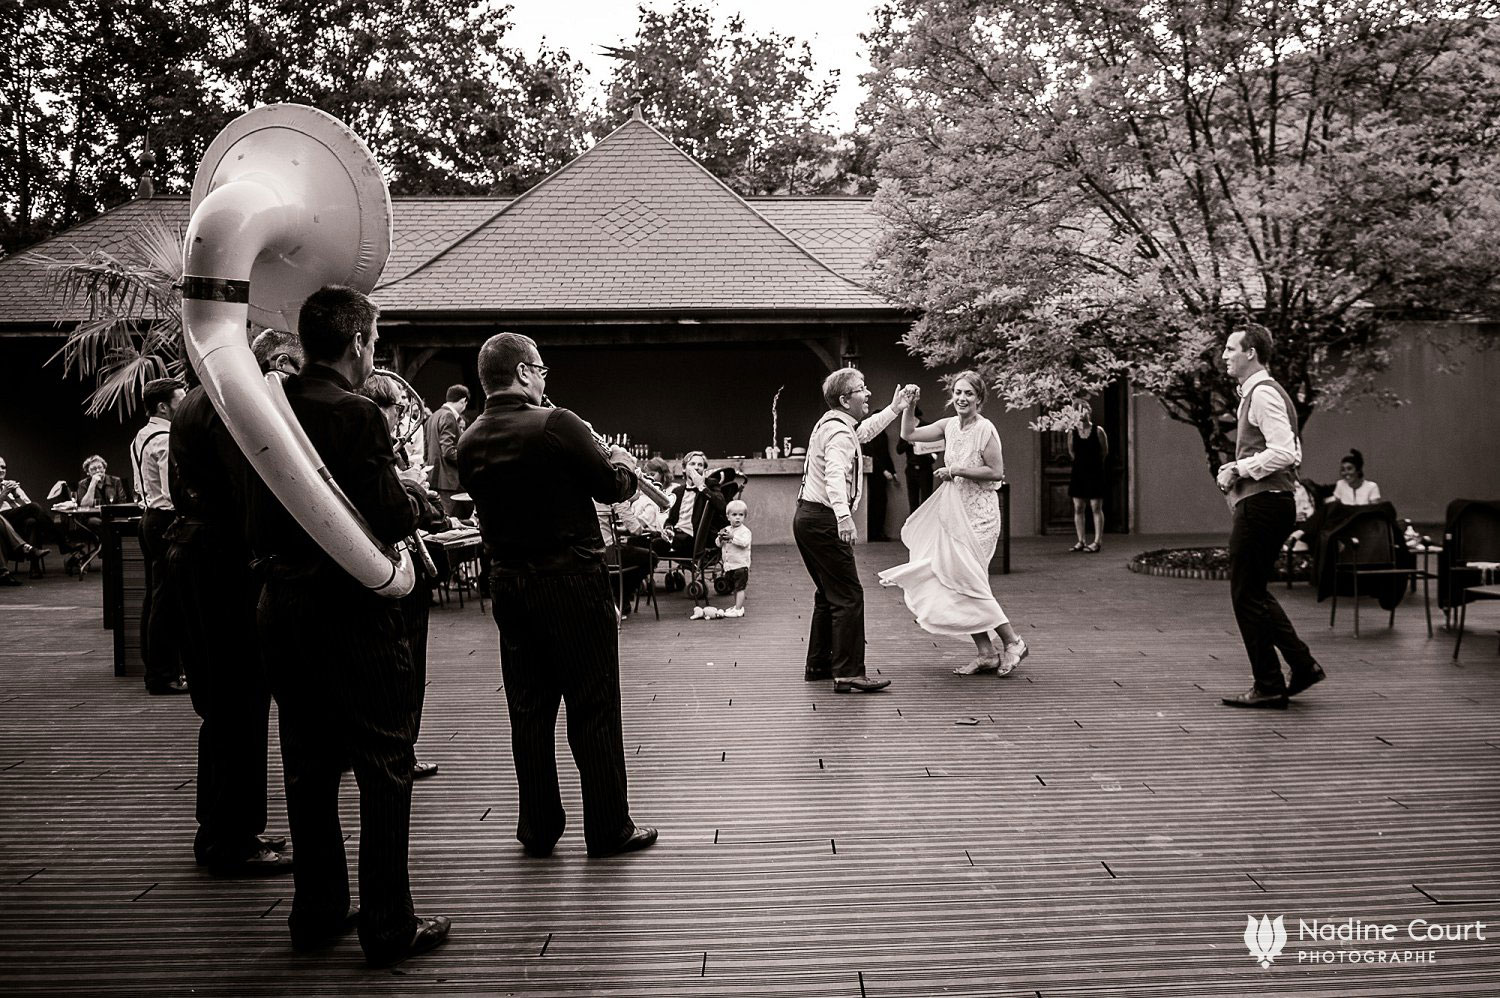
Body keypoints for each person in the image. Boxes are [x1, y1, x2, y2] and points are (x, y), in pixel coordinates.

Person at [248, 286, 450, 966]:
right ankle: (389, 927)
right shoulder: (357, 414)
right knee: (384, 763)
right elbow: (387, 516)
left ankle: (318, 913)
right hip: (350, 609)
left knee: (307, 766)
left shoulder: (262, 410)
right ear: (360, 341)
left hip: (282, 604)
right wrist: (414, 499)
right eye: (374, 341)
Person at [458, 331, 657, 860]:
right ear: (524, 372)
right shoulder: (557, 423)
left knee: (528, 707)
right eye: (541, 369)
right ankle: (609, 827)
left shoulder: (470, 438)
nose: (546, 379)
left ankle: (538, 827)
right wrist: (625, 464)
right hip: (570, 579)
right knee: (593, 704)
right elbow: (611, 488)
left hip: (509, 582)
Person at [165, 331, 301, 876]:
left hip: (196, 553)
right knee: (239, 700)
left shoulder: (195, 399)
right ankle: (230, 839)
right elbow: (249, 491)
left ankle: (224, 829)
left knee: (223, 703)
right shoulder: (227, 402)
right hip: (222, 563)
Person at [880, 372, 1030, 676]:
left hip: (980, 517)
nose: (962, 398)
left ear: (979, 398)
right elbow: (909, 435)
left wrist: (957, 470)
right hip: (954, 514)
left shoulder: (986, 429)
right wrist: (910, 405)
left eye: (969, 394)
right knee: (957, 580)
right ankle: (987, 653)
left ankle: (1013, 642)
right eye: (958, 393)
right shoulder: (948, 425)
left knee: (970, 581)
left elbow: (996, 472)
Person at [1215, 323, 1326, 710]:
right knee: (1253, 592)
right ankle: (1300, 666)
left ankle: (1269, 683)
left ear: (1251, 353)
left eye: (1231, 349)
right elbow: (1283, 449)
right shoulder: (1259, 393)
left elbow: (1286, 453)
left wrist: (1238, 469)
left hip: (1264, 504)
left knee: (1246, 594)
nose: (1224, 355)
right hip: (1270, 502)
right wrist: (1236, 466)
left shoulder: (1262, 394)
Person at [794, 368, 914, 694]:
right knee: (848, 596)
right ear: (846, 399)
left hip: (808, 518)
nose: (868, 393)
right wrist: (844, 518)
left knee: (828, 594)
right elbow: (835, 474)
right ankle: (848, 672)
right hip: (822, 521)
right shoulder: (839, 434)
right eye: (862, 389)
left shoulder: (834, 425)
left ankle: (819, 665)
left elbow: (863, 434)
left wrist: (896, 407)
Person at [360, 373, 447, 781]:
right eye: (398, 410)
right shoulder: (378, 449)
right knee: (407, 665)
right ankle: (402, 750)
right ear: (387, 408)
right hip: (397, 568)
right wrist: (416, 492)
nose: (400, 419)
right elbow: (406, 513)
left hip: (372, 571)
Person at [131, 378, 188, 696]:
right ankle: (164, 674)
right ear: (163, 406)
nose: (185, 403)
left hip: (148, 518)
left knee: (155, 597)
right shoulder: (166, 439)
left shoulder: (141, 436)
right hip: (166, 520)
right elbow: (172, 490)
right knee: (167, 601)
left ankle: (155, 668)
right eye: (181, 398)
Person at [653, 450, 727, 561]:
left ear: (704, 470)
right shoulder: (678, 491)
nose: (696, 467)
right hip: (677, 536)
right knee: (644, 540)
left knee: (654, 544)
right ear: (684, 469)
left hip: (697, 540)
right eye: (692, 464)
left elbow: (721, 506)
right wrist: (668, 529)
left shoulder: (711, 485)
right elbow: (671, 519)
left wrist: (702, 487)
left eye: (700, 465)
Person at [1067, 407, 1109, 553]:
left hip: (1095, 472)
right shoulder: (1072, 432)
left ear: (1089, 412)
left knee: (1096, 507)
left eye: (1083, 410)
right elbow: (1071, 451)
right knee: (1078, 507)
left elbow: (1104, 451)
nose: (1080, 414)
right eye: (1077, 411)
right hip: (1079, 473)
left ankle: (1097, 541)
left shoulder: (1098, 431)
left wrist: (1094, 464)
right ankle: (1081, 540)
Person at [422, 384, 469, 515]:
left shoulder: (432, 417)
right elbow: (448, 451)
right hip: (449, 482)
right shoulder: (449, 416)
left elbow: (426, 451)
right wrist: (467, 460)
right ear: (463, 401)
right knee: (453, 524)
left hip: (433, 478)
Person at [715, 499, 752, 617]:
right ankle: (737, 606)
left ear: (744, 516)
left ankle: (739, 608)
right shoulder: (727, 529)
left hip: (741, 565)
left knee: (740, 588)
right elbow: (718, 544)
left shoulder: (745, 531)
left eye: (741, 515)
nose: (737, 518)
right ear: (728, 517)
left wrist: (732, 537)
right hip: (730, 565)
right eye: (734, 515)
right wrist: (720, 538)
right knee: (735, 588)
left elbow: (744, 543)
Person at [896, 407, 937, 508]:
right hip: (911, 469)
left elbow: (936, 443)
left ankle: (926, 523)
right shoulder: (905, 429)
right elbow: (899, 449)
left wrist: (933, 455)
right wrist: (908, 442)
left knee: (926, 500)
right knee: (912, 500)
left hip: (925, 468)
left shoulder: (926, 426)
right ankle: (914, 522)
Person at [862, 429, 897, 542]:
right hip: (875, 473)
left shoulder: (880, 435)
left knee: (880, 502)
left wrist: (892, 470)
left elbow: (885, 454)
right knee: (876, 502)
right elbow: (874, 456)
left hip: (879, 473)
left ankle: (877, 532)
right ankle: (874, 532)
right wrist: (885, 470)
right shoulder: (873, 435)